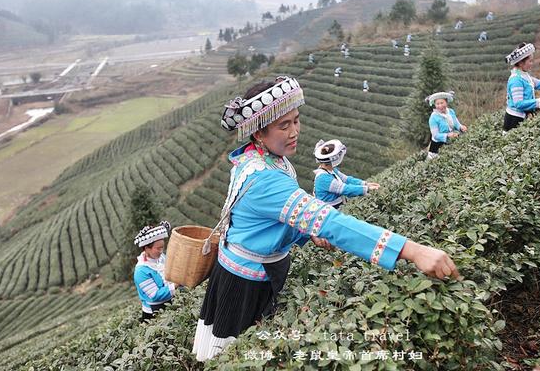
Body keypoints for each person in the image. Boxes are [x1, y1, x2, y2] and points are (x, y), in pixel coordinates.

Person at [194, 76, 460, 361]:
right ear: (259, 133)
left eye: (296, 120)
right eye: (284, 125)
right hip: (245, 281)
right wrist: (413, 250)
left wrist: (306, 232)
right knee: (240, 356)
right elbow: (329, 221)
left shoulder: (260, 157)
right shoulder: (264, 179)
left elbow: (271, 221)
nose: (295, 131)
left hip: (259, 267)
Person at [312, 139, 379, 209]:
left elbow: (346, 179)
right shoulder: (323, 178)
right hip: (329, 211)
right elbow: (344, 189)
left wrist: (365, 184)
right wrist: (366, 189)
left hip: (338, 206)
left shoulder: (332, 170)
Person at [133, 221, 176, 322]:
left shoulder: (161, 258)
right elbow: (155, 295)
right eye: (158, 248)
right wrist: (175, 285)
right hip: (153, 313)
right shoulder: (141, 271)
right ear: (146, 248)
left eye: (162, 247)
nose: (161, 251)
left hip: (170, 302)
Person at [427, 91, 467, 160]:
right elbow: (435, 135)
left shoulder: (451, 111)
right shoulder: (433, 118)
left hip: (451, 141)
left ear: (446, 102)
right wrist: (447, 135)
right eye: (437, 104)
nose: (440, 106)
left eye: (442, 103)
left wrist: (461, 127)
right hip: (437, 146)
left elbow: (456, 123)